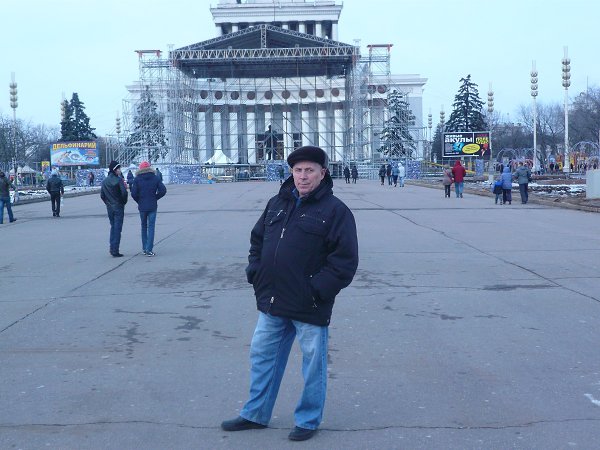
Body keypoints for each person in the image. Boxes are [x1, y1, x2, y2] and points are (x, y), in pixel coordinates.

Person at [221, 146, 359, 442]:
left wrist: (317, 290)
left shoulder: (335, 211)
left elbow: (344, 261)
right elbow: (258, 240)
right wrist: (255, 270)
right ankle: (255, 413)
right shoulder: (277, 203)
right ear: (291, 173)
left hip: (309, 303)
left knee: (312, 365)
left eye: (310, 170)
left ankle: (308, 420)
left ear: (323, 173)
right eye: (298, 170)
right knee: (262, 357)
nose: (303, 176)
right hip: (272, 300)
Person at [131, 161, 167, 257]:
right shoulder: (155, 178)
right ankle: (149, 249)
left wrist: (139, 201)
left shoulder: (137, 179)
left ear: (140, 169)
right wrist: (156, 197)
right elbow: (163, 190)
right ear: (150, 168)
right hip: (152, 205)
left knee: (143, 226)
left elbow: (133, 193)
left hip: (142, 206)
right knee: (151, 227)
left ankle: (144, 248)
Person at [100, 161, 128, 257]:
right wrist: (123, 202)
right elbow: (124, 193)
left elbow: (102, 195)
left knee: (113, 227)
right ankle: (115, 249)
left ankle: (112, 247)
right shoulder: (119, 180)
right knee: (117, 228)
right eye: (119, 168)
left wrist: (108, 203)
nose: (120, 170)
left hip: (110, 208)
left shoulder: (105, 181)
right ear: (115, 169)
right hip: (118, 207)